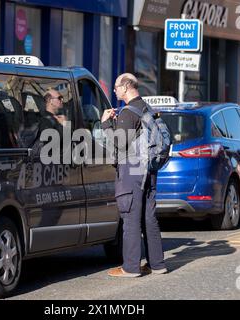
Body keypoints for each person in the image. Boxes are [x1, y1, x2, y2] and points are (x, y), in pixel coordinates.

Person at [101, 73, 167, 277]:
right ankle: (157, 264)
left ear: (127, 86)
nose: (114, 91)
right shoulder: (145, 108)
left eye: (117, 87)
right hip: (148, 169)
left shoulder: (128, 113)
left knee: (129, 217)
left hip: (132, 170)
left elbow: (119, 144)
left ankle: (130, 267)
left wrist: (105, 124)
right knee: (149, 217)